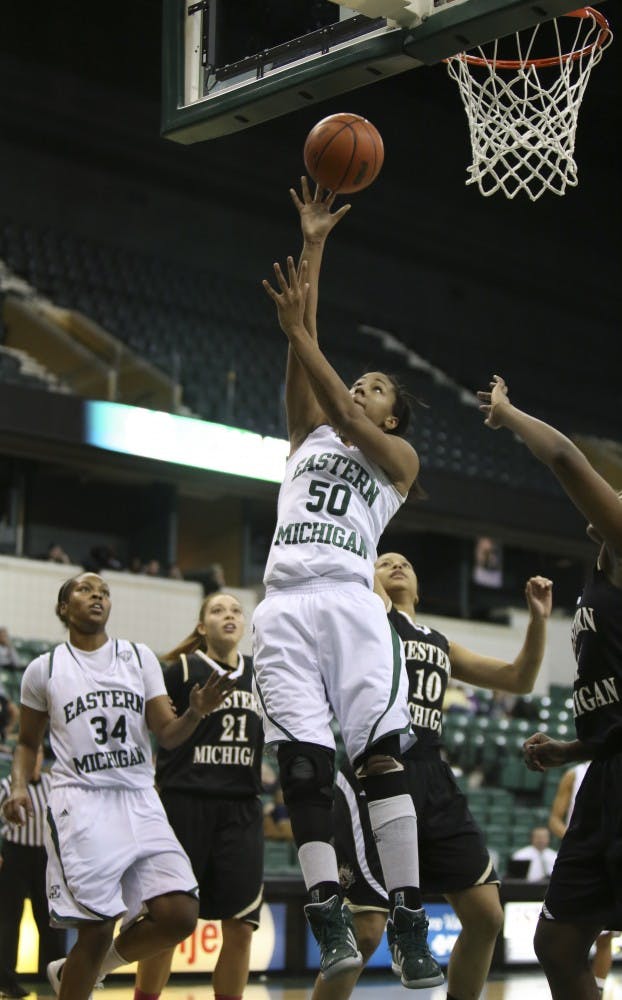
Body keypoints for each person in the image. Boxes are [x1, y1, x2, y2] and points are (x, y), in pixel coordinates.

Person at [254, 180, 442, 988]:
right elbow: (309, 351)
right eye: (357, 380)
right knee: (300, 765)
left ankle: (404, 915)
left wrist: (307, 337)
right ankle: (328, 909)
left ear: (392, 417)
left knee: (378, 760)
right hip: (284, 602)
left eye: (375, 387)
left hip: (347, 600)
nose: (358, 388)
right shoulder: (306, 435)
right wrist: (315, 243)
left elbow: (331, 382)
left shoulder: (397, 462)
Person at [312, 552, 552, 1000]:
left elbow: (518, 678)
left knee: (486, 914)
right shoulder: (373, 619)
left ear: (420, 589)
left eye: (406, 562)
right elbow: (361, 556)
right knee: (364, 933)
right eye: (386, 563)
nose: (396, 565)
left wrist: (538, 621)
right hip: (376, 767)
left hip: (433, 774)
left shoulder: (439, 641)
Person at [3, 571, 236, 1000]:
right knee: (95, 929)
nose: (97, 596)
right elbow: (27, 743)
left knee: (179, 914)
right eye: (85, 589)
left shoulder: (138, 657)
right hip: (82, 802)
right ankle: (78, 971)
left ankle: (74, 970)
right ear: (63, 607)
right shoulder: (43, 669)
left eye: (104, 592)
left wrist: (195, 714)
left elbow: (166, 734)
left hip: (139, 797)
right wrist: (18, 786)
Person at [478, 373, 622, 1000]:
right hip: (606, 775)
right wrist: (573, 751)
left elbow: (565, 458)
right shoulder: (597, 578)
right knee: (559, 945)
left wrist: (507, 414)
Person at [134, 591, 264, 1000]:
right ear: (201, 626)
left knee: (242, 927)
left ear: (244, 625)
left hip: (241, 809)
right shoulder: (181, 670)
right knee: (170, 924)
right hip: (184, 804)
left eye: (236, 611)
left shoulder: (262, 675)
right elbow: (159, 736)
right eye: (217, 610)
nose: (229, 615)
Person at [0, 745, 66, 999]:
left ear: (41, 758)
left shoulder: (52, 784)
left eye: (38, 755)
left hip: (44, 858)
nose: (35, 760)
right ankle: (6, 980)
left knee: (50, 920)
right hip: (15, 855)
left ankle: (53, 974)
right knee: (9, 920)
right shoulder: (8, 786)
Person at [549, 765, 614, 998]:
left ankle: (598, 989)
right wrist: (577, 840)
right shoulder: (574, 773)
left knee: (605, 936)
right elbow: (555, 819)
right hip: (580, 857)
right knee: (565, 939)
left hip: (610, 855)